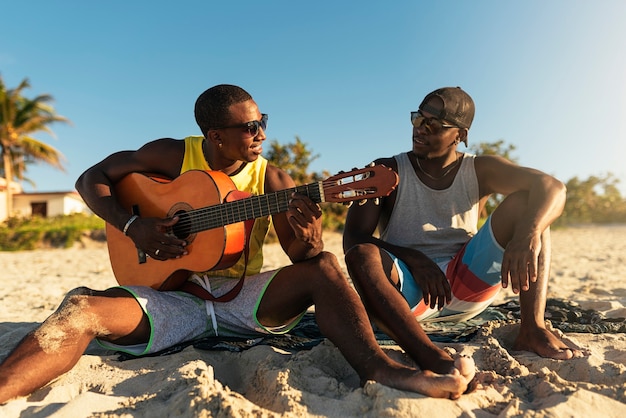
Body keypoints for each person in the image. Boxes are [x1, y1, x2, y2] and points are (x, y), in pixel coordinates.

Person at [0, 84, 476, 404]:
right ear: (215, 136)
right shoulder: (171, 155)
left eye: (261, 121)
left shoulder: (272, 178)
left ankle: (381, 367)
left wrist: (308, 233)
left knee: (326, 264)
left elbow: (303, 259)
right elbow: (91, 178)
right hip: (168, 296)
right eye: (248, 127)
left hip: (242, 299)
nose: (261, 133)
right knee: (81, 308)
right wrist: (132, 227)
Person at [343, 86, 583, 372]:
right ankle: (427, 353)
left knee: (530, 209)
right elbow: (353, 240)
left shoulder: (480, 169)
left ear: (460, 135)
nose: (420, 129)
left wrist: (528, 234)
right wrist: (414, 258)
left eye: (433, 124)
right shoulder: (386, 171)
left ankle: (532, 328)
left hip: (468, 284)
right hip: (408, 292)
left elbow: (552, 187)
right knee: (363, 255)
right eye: (417, 119)